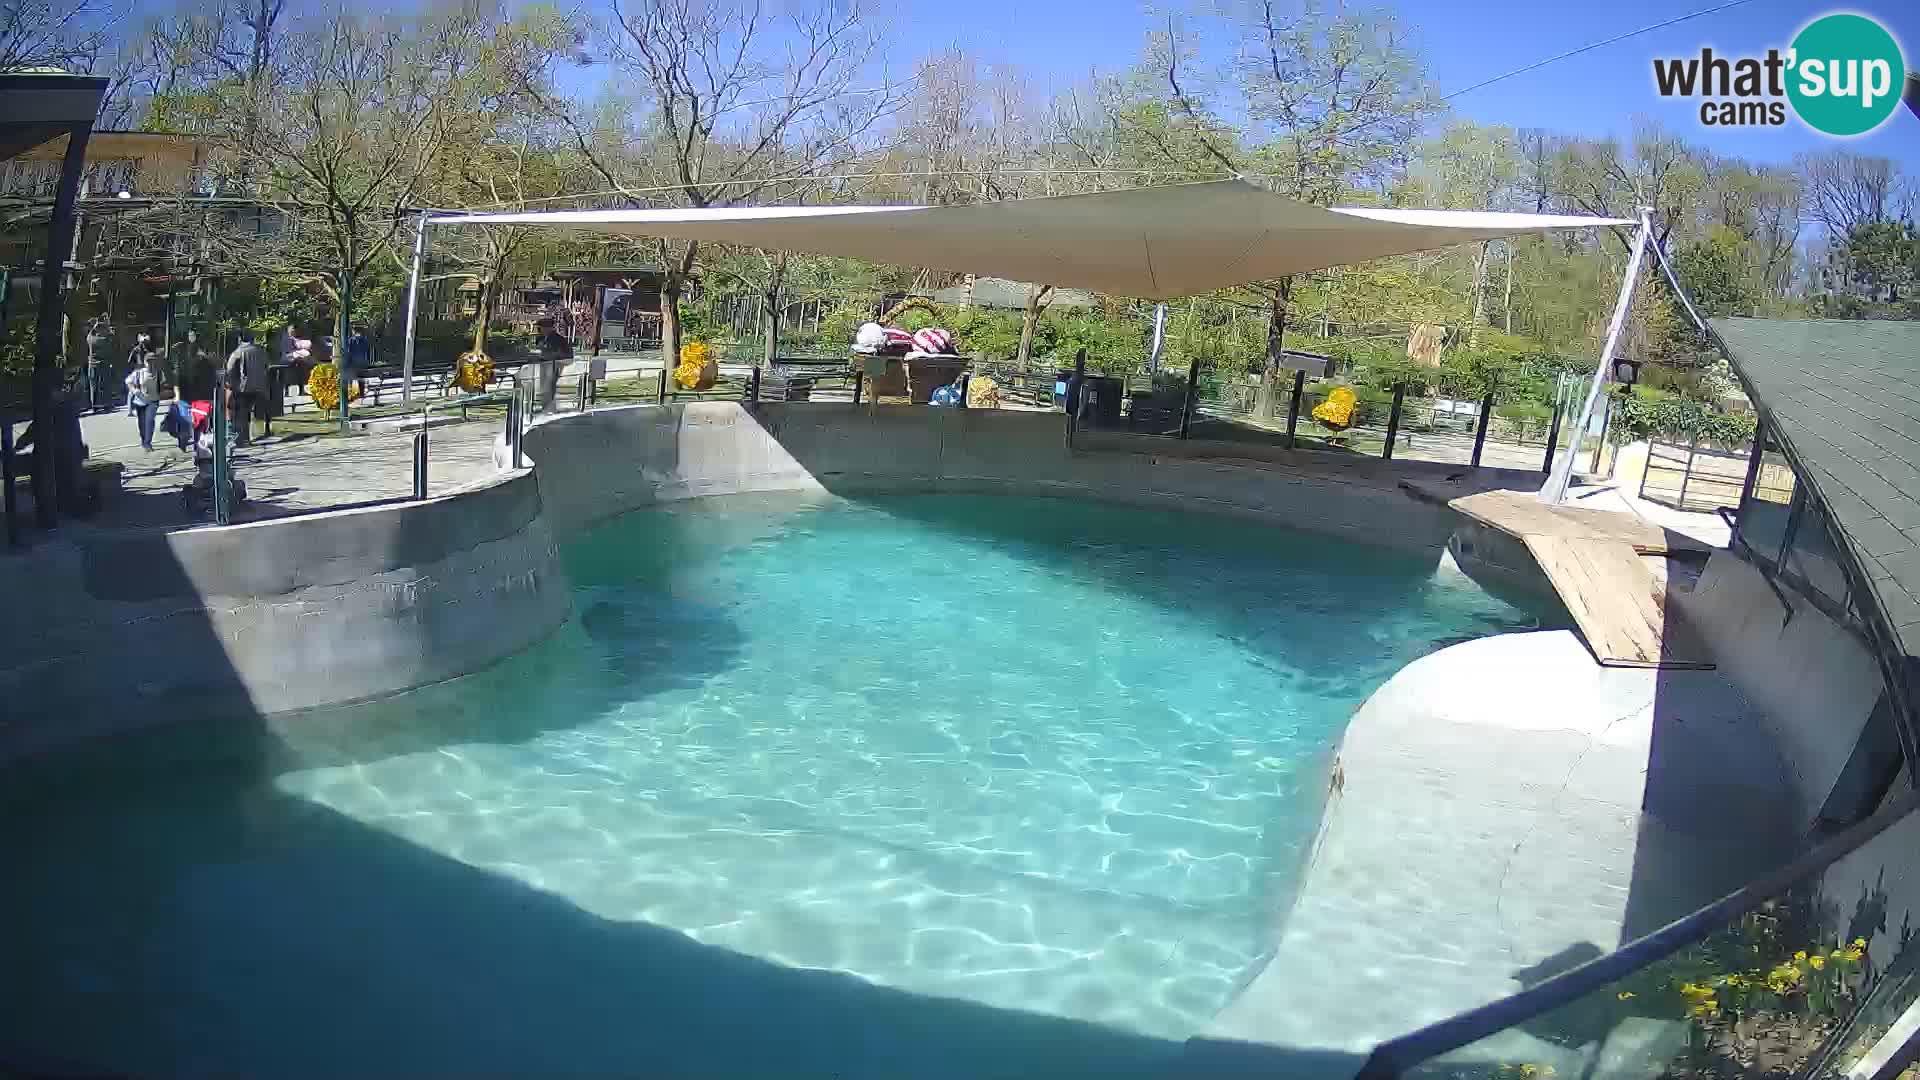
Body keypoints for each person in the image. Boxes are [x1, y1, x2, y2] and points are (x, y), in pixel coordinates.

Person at [224, 330, 270, 447]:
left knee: (240, 413)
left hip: (243, 387)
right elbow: (266, 366)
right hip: (258, 386)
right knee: (249, 411)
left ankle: (242, 439)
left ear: (240, 339)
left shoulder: (238, 352)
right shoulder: (260, 351)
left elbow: (230, 369)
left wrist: (230, 383)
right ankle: (248, 437)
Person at [123, 342, 162, 451]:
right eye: (148, 361)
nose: (151, 364)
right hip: (140, 401)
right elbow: (128, 381)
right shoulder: (139, 373)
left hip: (153, 402)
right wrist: (134, 390)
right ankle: (144, 440)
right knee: (142, 424)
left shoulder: (159, 373)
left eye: (153, 361)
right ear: (145, 362)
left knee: (149, 421)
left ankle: (148, 443)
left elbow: (164, 385)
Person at [533, 316, 573, 413]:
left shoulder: (558, 339)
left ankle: (549, 406)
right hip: (544, 363)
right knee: (543, 385)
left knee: (550, 384)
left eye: (541, 327)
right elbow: (539, 349)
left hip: (556, 364)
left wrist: (550, 355)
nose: (539, 329)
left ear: (548, 328)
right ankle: (544, 405)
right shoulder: (540, 338)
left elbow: (563, 354)